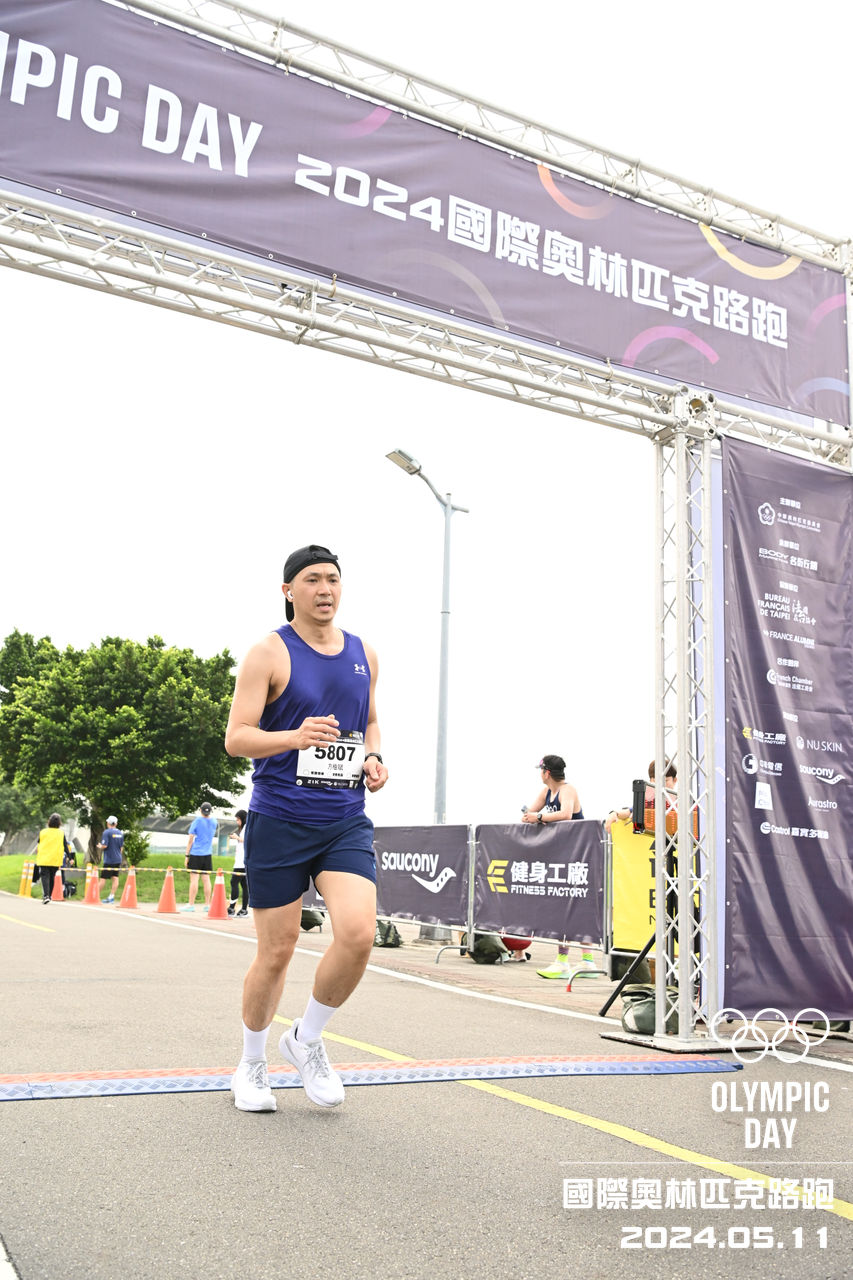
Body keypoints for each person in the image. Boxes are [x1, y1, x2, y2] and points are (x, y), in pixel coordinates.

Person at [224, 543, 388, 1113]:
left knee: (358, 934)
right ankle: (251, 1064)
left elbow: (369, 720)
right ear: (289, 590)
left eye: (333, 579)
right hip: (279, 818)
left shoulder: (364, 653)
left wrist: (374, 757)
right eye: (313, 579)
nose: (325, 589)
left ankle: (306, 1039)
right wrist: (294, 737)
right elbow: (237, 737)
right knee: (278, 950)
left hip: (343, 820)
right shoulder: (268, 652)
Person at [521, 755, 593, 979]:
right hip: (562, 857)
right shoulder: (546, 792)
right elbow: (529, 814)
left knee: (572, 909)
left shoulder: (567, 790)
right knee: (571, 908)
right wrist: (532, 816)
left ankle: (568, 962)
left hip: (578, 857)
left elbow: (566, 814)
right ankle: (586, 961)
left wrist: (539, 817)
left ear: (547, 772)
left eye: (540, 771)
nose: (539, 774)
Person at [180, 802, 218, 912]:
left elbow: (190, 840)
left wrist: (187, 856)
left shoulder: (197, 821)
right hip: (208, 854)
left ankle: (191, 904)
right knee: (206, 880)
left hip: (196, 853)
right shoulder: (214, 822)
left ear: (200, 809)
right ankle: (207, 905)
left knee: (194, 880)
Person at [35, 813, 65, 904]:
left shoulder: (43, 832)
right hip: (55, 859)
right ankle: (49, 895)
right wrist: (70, 857)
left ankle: (46, 896)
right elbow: (65, 845)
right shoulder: (61, 833)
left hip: (44, 858)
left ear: (49, 822)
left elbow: (39, 842)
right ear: (59, 823)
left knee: (45, 876)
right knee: (52, 877)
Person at [97, 816, 125, 903]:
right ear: (116, 824)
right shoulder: (120, 833)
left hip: (109, 859)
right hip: (118, 859)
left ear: (108, 823)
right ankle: (111, 896)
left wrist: (100, 846)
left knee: (103, 878)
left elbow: (105, 845)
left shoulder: (107, 832)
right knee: (115, 877)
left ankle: (95, 896)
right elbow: (121, 848)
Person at [228, 808, 249, 918]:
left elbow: (247, 841)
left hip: (241, 862)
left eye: (237, 819)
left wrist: (237, 837)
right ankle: (244, 910)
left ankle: (232, 908)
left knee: (234, 882)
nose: (237, 822)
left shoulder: (247, 827)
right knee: (244, 886)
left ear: (242, 819)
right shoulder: (245, 827)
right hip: (243, 861)